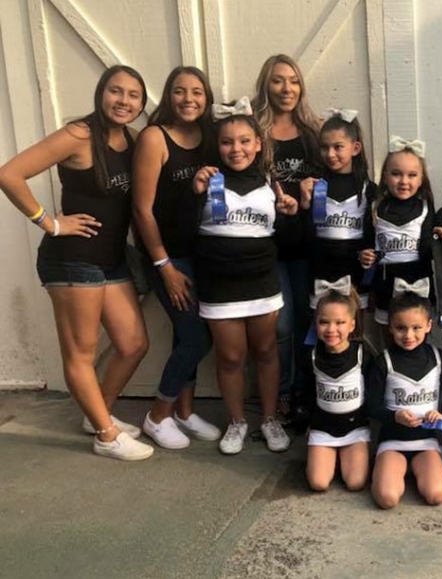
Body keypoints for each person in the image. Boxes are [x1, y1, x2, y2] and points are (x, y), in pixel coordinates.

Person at [0, 65, 153, 460]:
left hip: (112, 261)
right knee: (81, 354)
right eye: (115, 91)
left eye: (133, 95)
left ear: (141, 102)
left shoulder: (132, 140)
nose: (123, 101)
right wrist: (49, 222)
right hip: (72, 262)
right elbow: (10, 174)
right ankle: (106, 435)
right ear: (101, 94)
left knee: (134, 343)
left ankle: (96, 413)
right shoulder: (78, 135)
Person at [191, 97, 297, 455]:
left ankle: (269, 419)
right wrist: (193, 196)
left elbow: (282, 237)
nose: (236, 149)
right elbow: (182, 232)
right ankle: (237, 421)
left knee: (266, 350)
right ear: (217, 145)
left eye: (243, 141)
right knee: (231, 357)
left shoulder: (271, 182)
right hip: (219, 285)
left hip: (262, 283)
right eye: (227, 142)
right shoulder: (206, 180)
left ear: (257, 144)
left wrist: (289, 213)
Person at [132, 66, 220, 449]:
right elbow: (142, 209)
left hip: (200, 252)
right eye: (180, 91)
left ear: (207, 97)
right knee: (196, 338)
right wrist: (163, 266)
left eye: (197, 92)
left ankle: (184, 412)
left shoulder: (209, 135)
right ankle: (158, 414)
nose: (189, 99)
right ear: (168, 95)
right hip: (167, 256)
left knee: (188, 335)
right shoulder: (154, 137)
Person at [252, 54, 321, 421]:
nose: (287, 88)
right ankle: (278, 393)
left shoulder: (315, 132)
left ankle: (305, 393)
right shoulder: (254, 132)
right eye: (278, 80)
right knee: (279, 325)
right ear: (266, 85)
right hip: (269, 246)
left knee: (309, 321)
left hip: (308, 245)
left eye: (293, 80)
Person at [367, 284, 442, 509]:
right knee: (387, 499)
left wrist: (441, 413)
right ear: (390, 328)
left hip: (427, 442)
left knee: (436, 495)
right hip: (393, 442)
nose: (409, 335)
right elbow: (371, 406)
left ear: (428, 326)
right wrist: (394, 417)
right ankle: (393, 470)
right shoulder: (383, 361)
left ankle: (417, 469)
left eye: (416, 327)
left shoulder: (439, 358)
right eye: (401, 328)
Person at [299, 109, 376, 310]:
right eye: (325, 147)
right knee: (325, 335)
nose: (330, 154)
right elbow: (307, 237)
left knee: (356, 334)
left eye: (338, 147)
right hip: (321, 277)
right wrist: (305, 206)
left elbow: (373, 236)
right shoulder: (316, 186)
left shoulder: (369, 189)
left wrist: (369, 255)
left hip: (355, 279)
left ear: (355, 148)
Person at [359, 136, 435, 326]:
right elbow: (367, 244)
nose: (403, 181)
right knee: (389, 336)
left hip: (417, 284)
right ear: (384, 176)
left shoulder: (426, 208)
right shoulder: (376, 207)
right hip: (385, 285)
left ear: (421, 179)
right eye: (396, 174)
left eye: (412, 175)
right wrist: (364, 255)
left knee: (415, 335)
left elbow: (428, 250)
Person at [305, 278, 371, 492]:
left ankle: (349, 456)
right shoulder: (312, 355)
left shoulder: (363, 354)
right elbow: (308, 394)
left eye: (340, 323)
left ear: (352, 324)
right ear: (316, 323)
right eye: (324, 322)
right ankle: (328, 456)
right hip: (323, 430)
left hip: (355, 429)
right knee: (318, 483)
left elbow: (374, 392)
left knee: (356, 483)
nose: (331, 329)